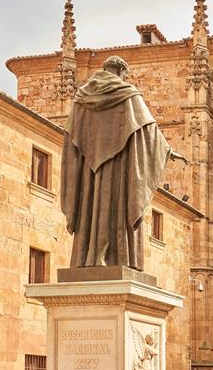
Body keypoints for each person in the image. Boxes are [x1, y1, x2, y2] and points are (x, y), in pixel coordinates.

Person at [60, 56, 188, 270]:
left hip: (89, 175)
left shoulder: (80, 100)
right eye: (125, 75)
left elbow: (71, 137)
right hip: (119, 170)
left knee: (91, 208)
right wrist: (168, 151)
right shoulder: (128, 95)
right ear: (120, 72)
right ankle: (118, 258)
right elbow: (148, 133)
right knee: (117, 206)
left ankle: (88, 257)